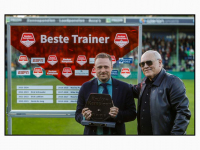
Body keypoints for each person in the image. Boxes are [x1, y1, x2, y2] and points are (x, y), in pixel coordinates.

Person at [75, 53, 136, 135]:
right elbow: (77, 114)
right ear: (95, 69)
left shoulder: (124, 88)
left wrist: (118, 114)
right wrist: (84, 117)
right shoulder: (85, 87)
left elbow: (132, 114)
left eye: (106, 67)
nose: (103, 70)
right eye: (99, 67)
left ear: (111, 68)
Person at [132, 50, 191, 135]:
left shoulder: (173, 82)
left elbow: (183, 112)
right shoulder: (145, 81)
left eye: (149, 63)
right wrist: (112, 82)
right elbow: (132, 89)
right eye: (142, 64)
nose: (145, 66)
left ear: (160, 62)